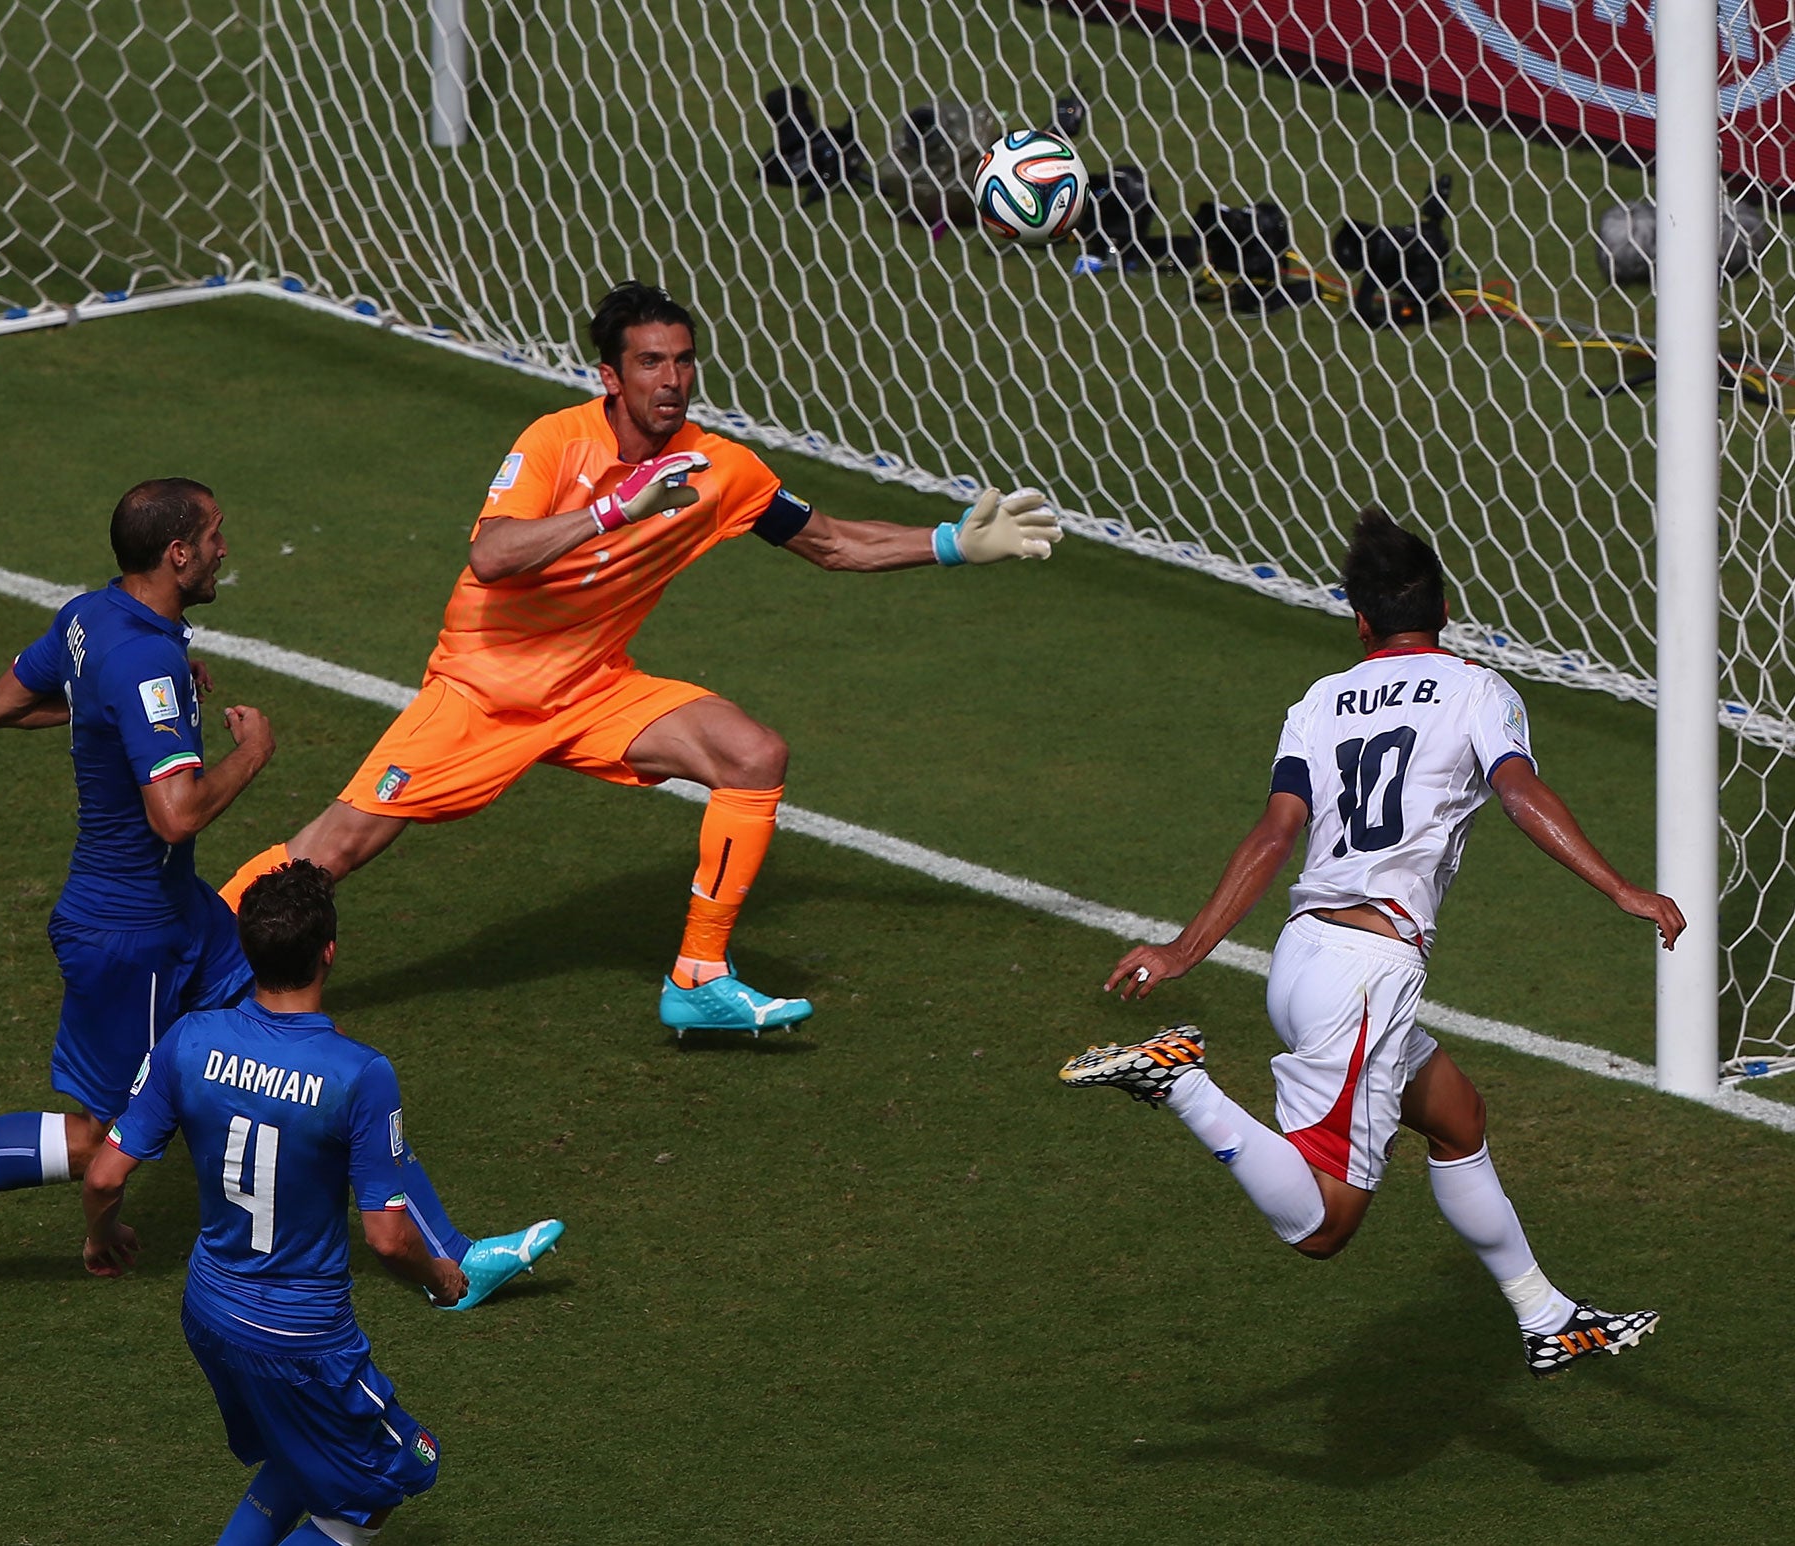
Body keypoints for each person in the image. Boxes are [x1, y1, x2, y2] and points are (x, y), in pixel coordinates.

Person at [217, 280, 1063, 1036]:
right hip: (483, 689)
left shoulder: (719, 469)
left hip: (592, 689)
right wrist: (613, 512)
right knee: (336, 850)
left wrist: (953, 542)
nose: (673, 380)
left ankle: (699, 975)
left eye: (685, 362)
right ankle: (188, 956)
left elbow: (835, 544)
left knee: (753, 754)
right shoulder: (555, 442)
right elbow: (493, 557)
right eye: (652, 363)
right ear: (610, 377)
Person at [0, 480, 557, 1308]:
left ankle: (451, 1255)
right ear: (176, 554)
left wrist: (116, 713)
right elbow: (175, 815)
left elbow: (3, 703)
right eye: (212, 536)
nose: (222, 550)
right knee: (99, 1138)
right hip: (131, 937)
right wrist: (252, 753)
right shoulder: (142, 660)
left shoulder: (90, 617)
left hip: (184, 916)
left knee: (317, 1054)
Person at [1061, 508, 1682, 1378]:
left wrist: (1182, 950)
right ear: (1447, 607)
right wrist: (1621, 886)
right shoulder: (1479, 689)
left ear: (1358, 618)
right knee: (1324, 1226)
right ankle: (1182, 1084)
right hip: (1367, 973)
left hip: (1304, 957)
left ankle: (1547, 1317)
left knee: (1456, 1115)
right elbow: (1516, 791)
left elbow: (1275, 836)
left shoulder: (1318, 702)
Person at [82, 860, 457, 1546]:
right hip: (305, 1338)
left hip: (209, 1314)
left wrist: (99, 1237)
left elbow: (105, 1176)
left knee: (297, 1451)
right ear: (329, 952)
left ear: (248, 951)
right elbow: (388, 1238)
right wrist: (441, 1278)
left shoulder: (191, 1039)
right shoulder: (358, 1074)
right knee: (394, 1474)